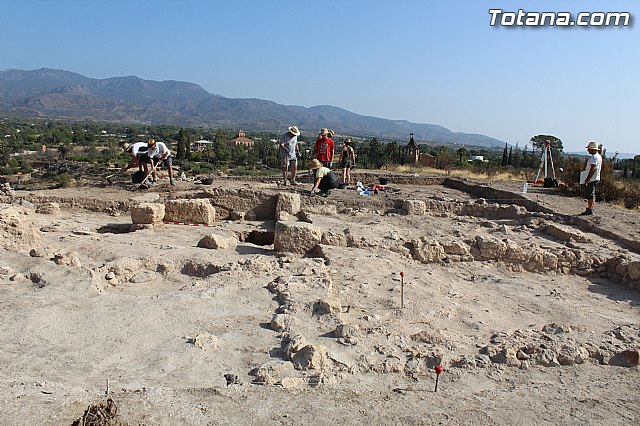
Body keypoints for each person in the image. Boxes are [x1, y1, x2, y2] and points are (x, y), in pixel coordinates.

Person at [580, 141, 603, 216]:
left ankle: (590, 209)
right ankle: (591, 208)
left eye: (589, 149)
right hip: (595, 177)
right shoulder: (598, 156)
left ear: (592, 149)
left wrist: (588, 178)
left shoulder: (594, 157)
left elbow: (593, 168)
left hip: (592, 178)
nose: (588, 150)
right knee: (592, 194)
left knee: (590, 194)